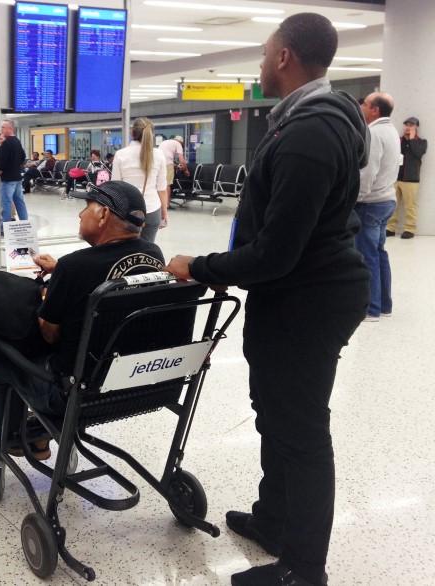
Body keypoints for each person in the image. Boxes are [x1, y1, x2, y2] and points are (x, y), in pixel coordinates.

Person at [166, 14, 370, 586]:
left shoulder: (310, 132)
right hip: (295, 294)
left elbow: (277, 253)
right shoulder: (311, 120)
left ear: (284, 57)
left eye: (263, 53)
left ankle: (304, 570)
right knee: (274, 414)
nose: (259, 64)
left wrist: (199, 267)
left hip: (307, 299)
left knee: (301, 432)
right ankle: (275, 519)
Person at [0, 181, 164, 460]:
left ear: (103, 215)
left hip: (75, 393)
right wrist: (62, 273)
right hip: (138, 383)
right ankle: (37, 434)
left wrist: (48, 293)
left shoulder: (75, 266)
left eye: (86, 208)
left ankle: (13, 435)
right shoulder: (154, 255)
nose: (80, 215)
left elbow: (50, 334)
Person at [356, 92, 399, 322]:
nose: (361, 106)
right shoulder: (391, 131)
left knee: (367, 255)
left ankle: (371, 309)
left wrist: (358, 198)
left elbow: (367, 171)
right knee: (379, 253)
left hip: (371, 202)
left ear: (375, 110)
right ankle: (384, 305)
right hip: (387, 200)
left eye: (365, 104)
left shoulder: (373, 132)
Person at [112, 117, 168, 243]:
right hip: (153, 209)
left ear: (132, 133)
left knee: (126, 250)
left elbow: (115, 186)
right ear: (152, 134)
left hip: (128, 211)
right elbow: (161, 188)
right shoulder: (158, 154)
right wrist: (164, 212)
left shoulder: (121, 154)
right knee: (147, 249)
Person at [387, 116, 428, 239]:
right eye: (407, 124)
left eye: (412, 125)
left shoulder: (421, 142)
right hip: (395, 178)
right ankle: (390, 228)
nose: (408, 127)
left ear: (416, 127)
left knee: (410, 206)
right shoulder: (398, 140)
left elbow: (418, 153)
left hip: (411, 180)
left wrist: (412, 139)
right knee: (392, 205)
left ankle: (410, 229)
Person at [0, 119, 28, 224]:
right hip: (17, 177)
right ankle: (25, 223)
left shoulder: (6, 142)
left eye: (3, 127)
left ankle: (3, 227)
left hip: (7, 179)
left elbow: (1, 159)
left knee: (6, 203)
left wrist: (0, 170)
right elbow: (23, 157)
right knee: (19, 201)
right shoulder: (17, 141)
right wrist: (15, 166)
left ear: (10, 128)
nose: (1, 129)